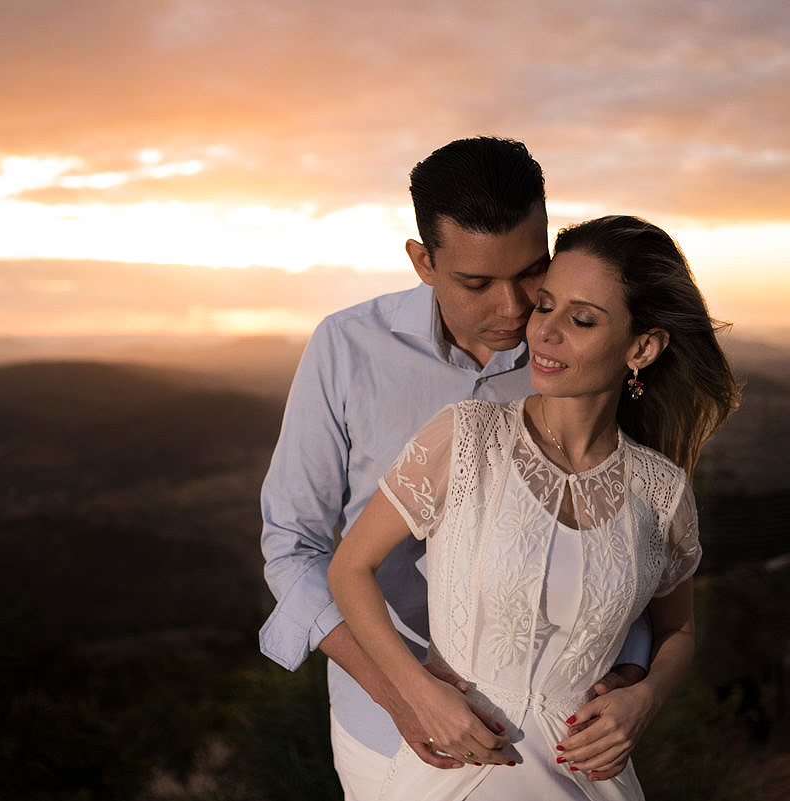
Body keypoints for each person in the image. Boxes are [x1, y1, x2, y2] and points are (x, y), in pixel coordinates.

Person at [259, 138, 656, 799]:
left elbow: (622, 537)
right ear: (423, 261)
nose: (512, 307)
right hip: (384, 727)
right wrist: (401, 693)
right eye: (476, 283)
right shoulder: (346, 346)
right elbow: (291, 546)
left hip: (556, 726)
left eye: (532, 272)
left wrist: (630, 671)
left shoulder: (588, 353)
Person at [329, 215, 740, 799]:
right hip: (460, 770)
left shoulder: (662, 491)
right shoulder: (466, 439)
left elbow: (679, 630)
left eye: (582, 319)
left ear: (642, 348)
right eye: (545, 306)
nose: (545, 332)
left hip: (590, 782)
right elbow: (348, 568)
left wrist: (645, 699)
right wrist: (417, 692)